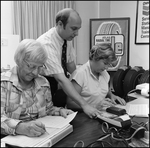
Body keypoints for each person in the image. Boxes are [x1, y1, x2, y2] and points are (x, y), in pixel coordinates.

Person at [1, 39, 74, 137]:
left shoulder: (43, 83)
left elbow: (48, 109)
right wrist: (22, 128)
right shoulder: (4, 84)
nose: (36, 73)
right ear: (19, 61)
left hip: (38, 137)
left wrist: (60, 111)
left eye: (40, 67)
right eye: (31, 66)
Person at [37, 8, 101, 118]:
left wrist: (88, 91)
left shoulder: (66, 38)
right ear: (60, 24)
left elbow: (72, 68)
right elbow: (61, 79)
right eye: (74, 29)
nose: (76, 33)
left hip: (61, 86)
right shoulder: (46, 44)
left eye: (78, 29)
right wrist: (85, 105)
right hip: (46, 87)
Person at [66, 43, 126, 111]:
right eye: (105, 63)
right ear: (95, 58)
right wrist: (93, 106)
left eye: (109, 64)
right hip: (81, 115)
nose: (106, 67)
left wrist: (112, 96)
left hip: (100, 113)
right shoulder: (80, 74)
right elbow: (70, 103)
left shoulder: (105, 74)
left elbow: (103, 90)